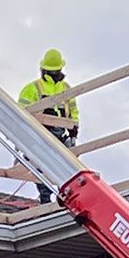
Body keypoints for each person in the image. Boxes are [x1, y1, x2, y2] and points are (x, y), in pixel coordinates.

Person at [19, 49, 79, 202]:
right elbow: (20, 114)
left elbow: (73, 111)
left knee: (63, 167)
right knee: (42, 166)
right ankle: (46, 198)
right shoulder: (33, 88)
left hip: (59, 135)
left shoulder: (66, 89)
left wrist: (74, 132)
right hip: (39, 134)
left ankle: (62, 197)